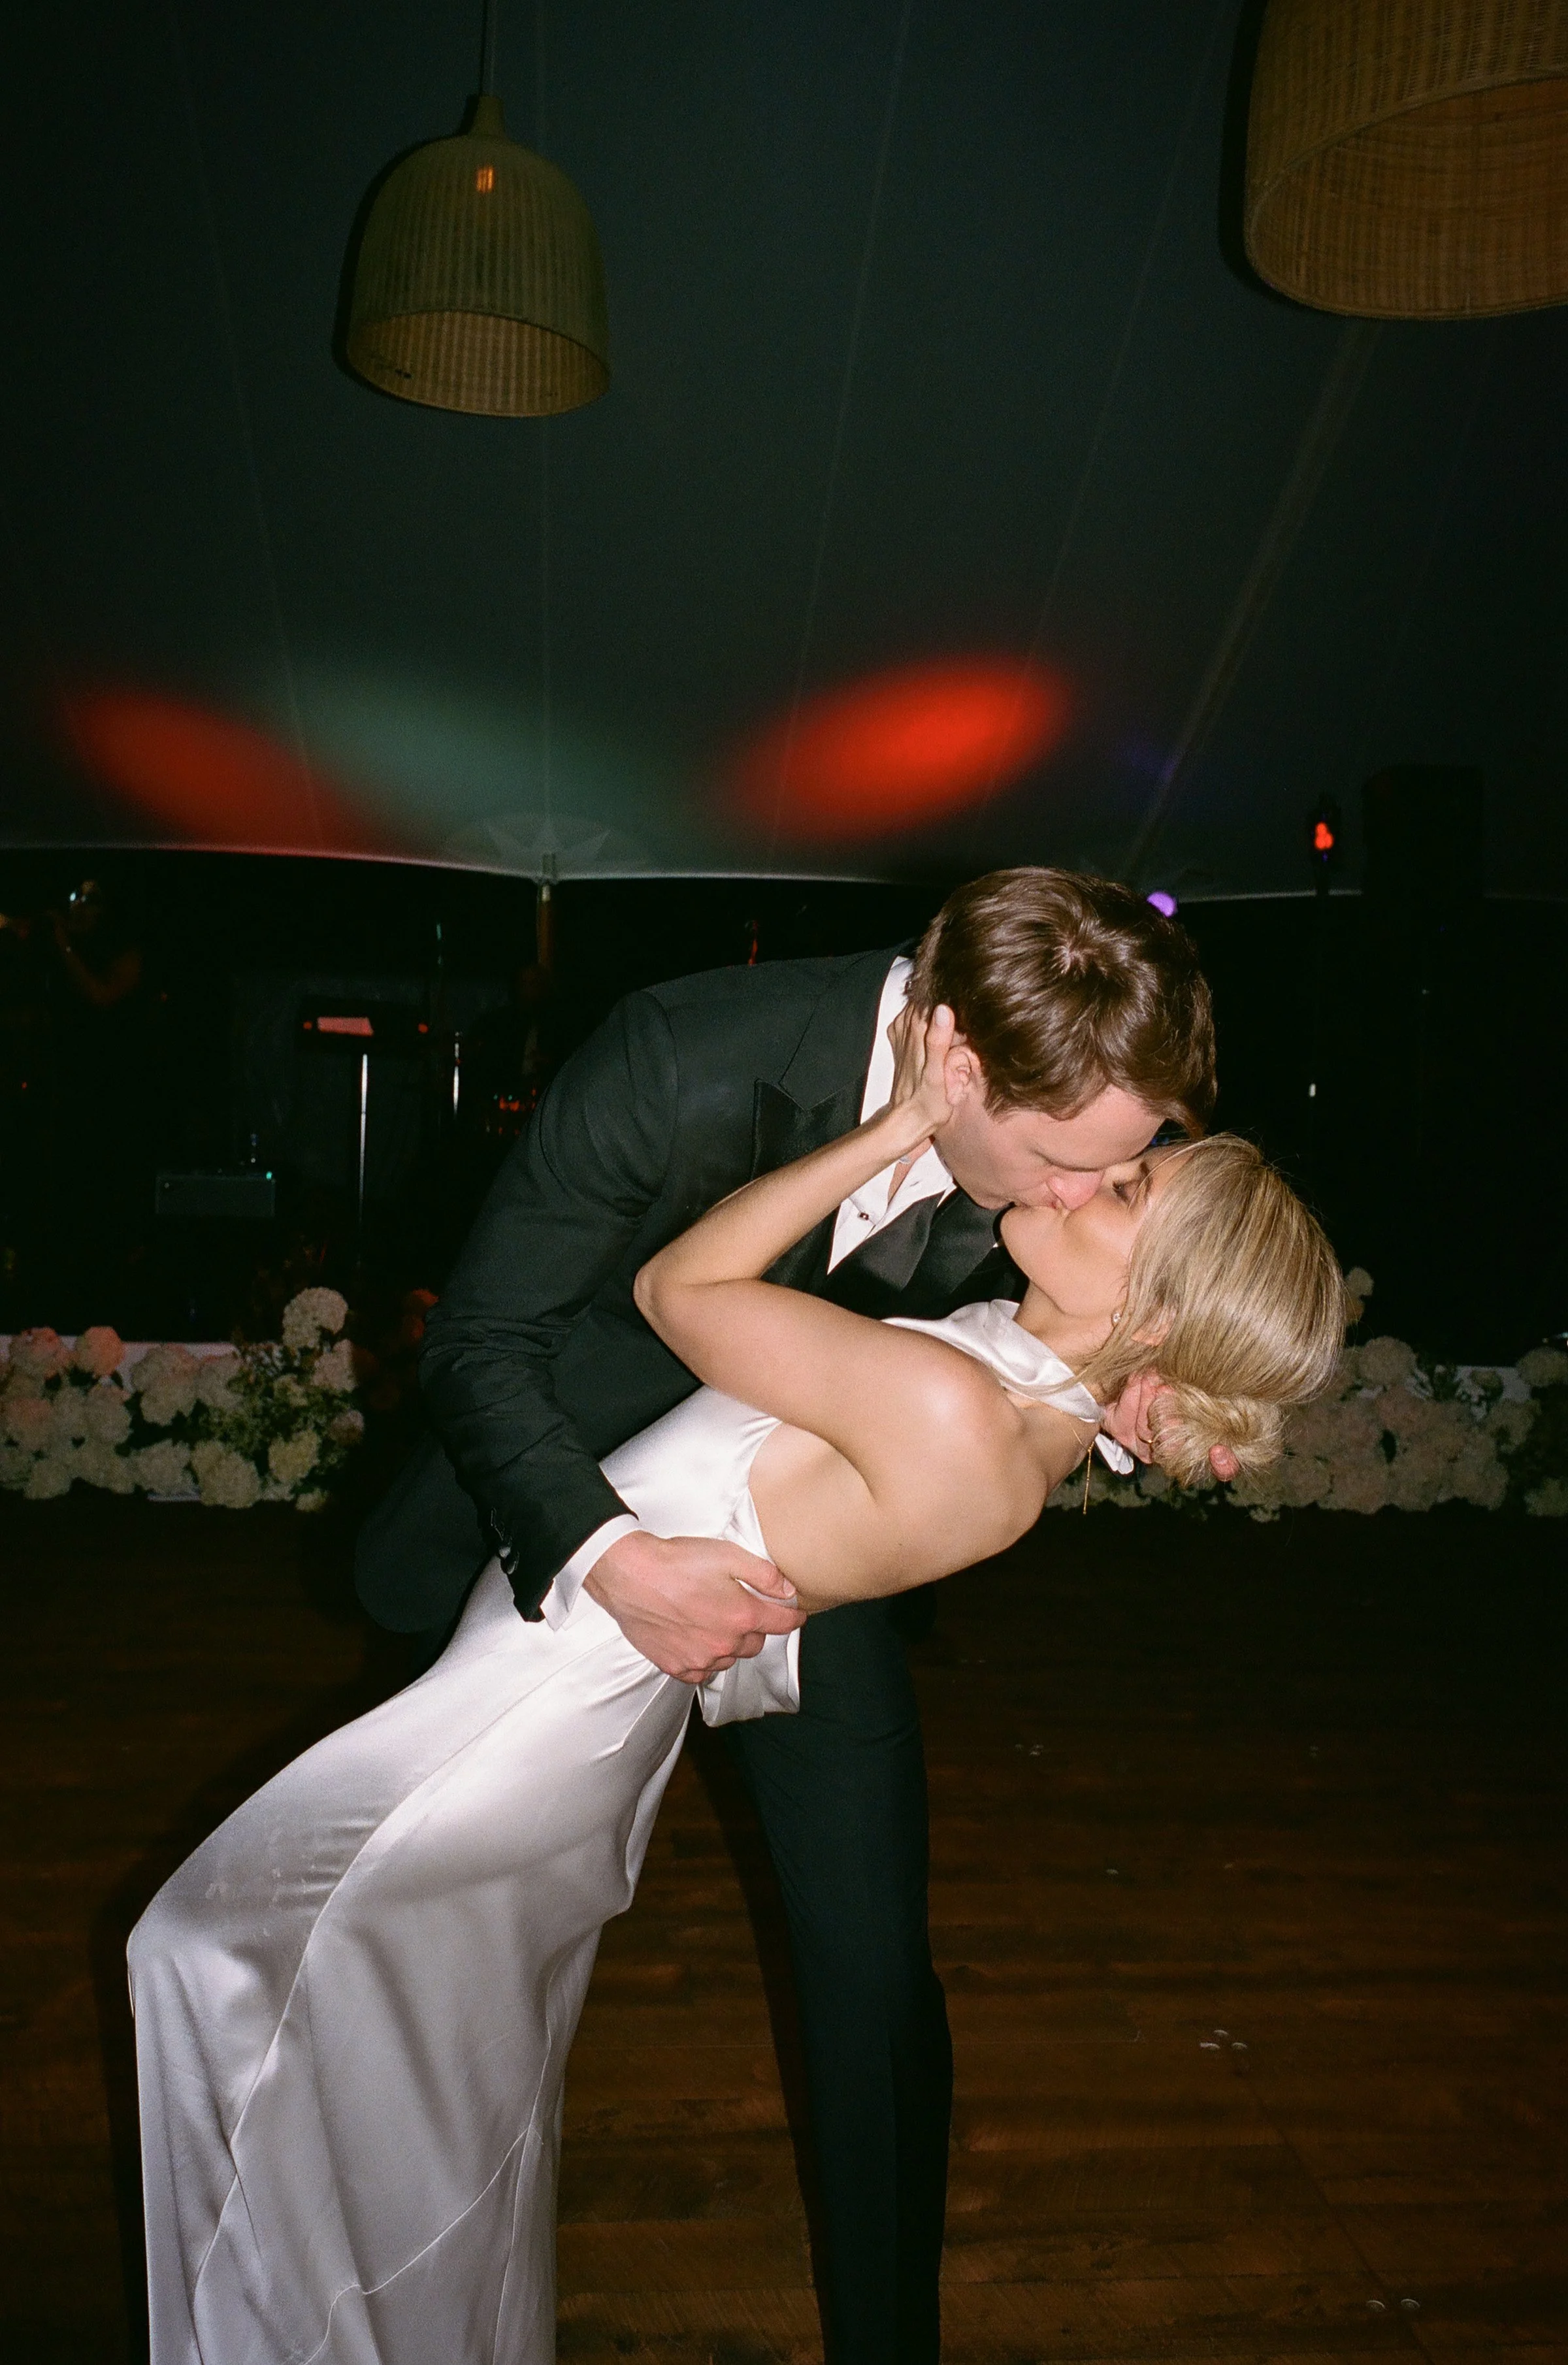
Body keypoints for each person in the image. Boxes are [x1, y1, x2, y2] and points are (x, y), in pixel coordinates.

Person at [127, 995, 1346, 2365]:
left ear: (1161, 1304)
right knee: (380, 2046)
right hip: (562, 1682)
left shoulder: (963, 1411)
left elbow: (676, 1294)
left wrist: (898, 1125)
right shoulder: (1020, 1384)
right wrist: (1147, 1375)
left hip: (530, 1705)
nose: (1081, 1176)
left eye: (1126, 1187)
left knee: (212, 1967)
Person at [346, 870, 1222, 2360]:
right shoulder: (678, 1055)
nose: (1083, 1198)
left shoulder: (1075, 1108)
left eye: (1117, 1167)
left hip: (800, 1555)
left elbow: (1135, 1275)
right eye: (1068, 1164)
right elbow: (484, 1343)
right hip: (554, 1536)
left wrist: (1158, 1376)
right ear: (955, 1056)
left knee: (875, 1970)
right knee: (430, 1957)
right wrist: (616, 1557)